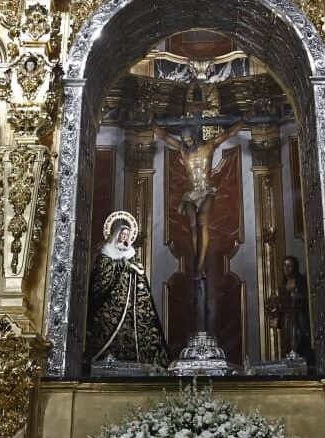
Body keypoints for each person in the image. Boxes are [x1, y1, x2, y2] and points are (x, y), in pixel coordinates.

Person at [151, 118, 244, 275]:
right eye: (184, 141)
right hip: (190, 194)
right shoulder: (182, 148)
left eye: (188, 141)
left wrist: (244, 120)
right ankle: (199, 264)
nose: (186, 144)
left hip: (207, 191)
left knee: (202, 223)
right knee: (193, 228)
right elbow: (163, 136)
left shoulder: (209, 146)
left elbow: (229, 133)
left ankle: (199, 265)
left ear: (195, 137)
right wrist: (151, 122)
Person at [85, 212, 169, 367]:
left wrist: (136, 268)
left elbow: (138, 271)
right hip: (110, 298)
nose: (124, 237)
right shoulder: (107, 251)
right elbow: (101, 275)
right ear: (117, 234)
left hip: (129, 297)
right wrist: (121, 265)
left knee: (129, 326)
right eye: (123, 234)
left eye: (127, 235)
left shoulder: (130, 252)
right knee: (106, 323)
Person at [267, 255, 313, 363]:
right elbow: (282, 304)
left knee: (297, 341)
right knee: (288, 342)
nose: (286, 268)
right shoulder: (283, 285)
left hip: (297, 317)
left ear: (294, 267)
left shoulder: (301, 282)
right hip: (286, 319)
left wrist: (296, 296)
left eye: (289, 266)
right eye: (284, 265)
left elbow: (305, 297)